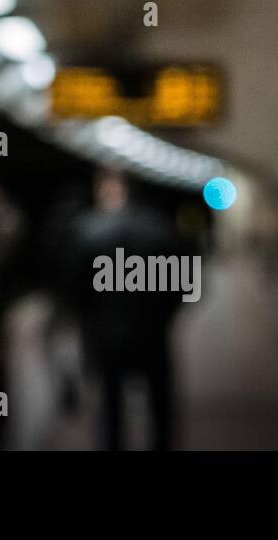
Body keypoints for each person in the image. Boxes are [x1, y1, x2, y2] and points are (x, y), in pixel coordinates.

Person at [61, 167, 185, 450]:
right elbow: (182, 286)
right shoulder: (161, 228)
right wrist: (163, 317)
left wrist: (88, 318)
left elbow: (72, 288)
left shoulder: (87, 229)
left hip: (104, 335)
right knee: (159, 405)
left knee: (110, 406)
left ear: (109, 189)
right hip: (153, 333)